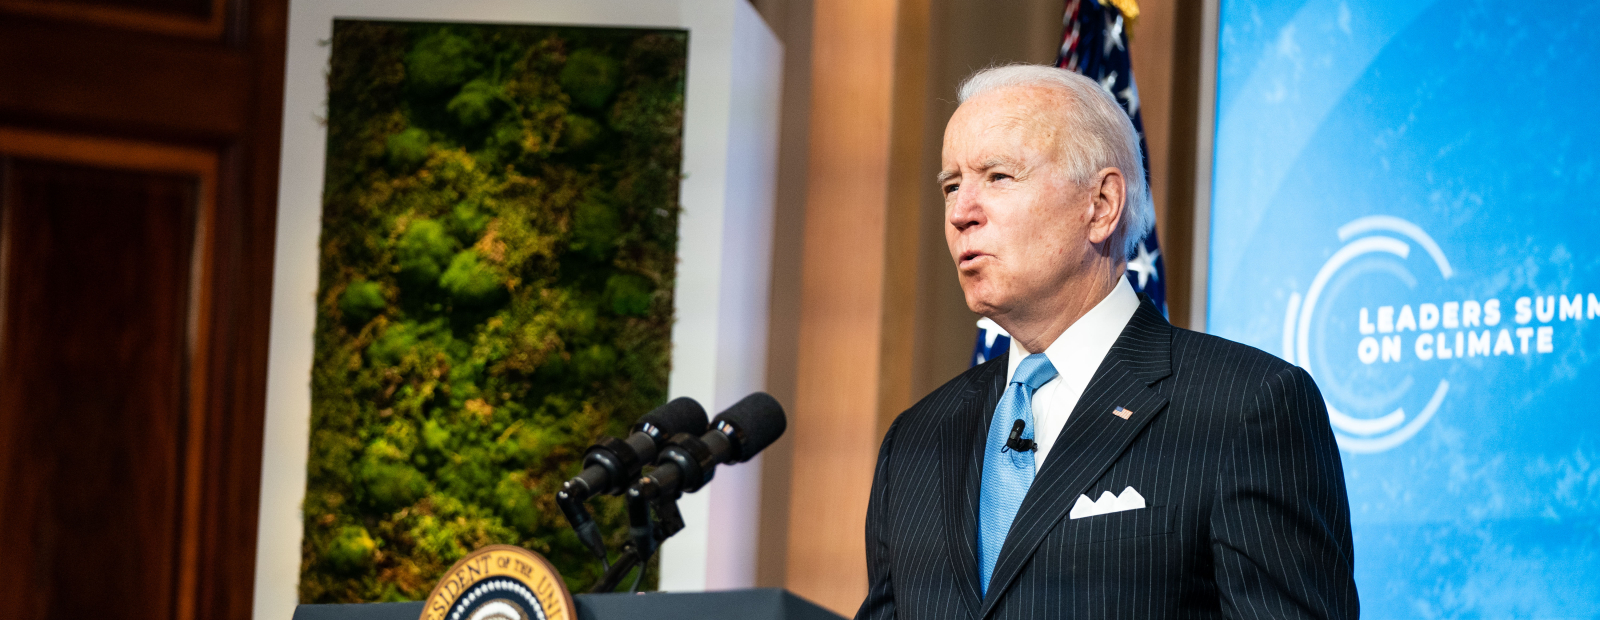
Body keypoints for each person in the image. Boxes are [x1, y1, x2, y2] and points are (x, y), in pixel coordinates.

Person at [854, 64, 1358, 620]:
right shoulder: (917, 441)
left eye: (998, 177)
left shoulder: (1244, 407)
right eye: (952, 185)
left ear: (1101, 205)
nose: (960, 213)